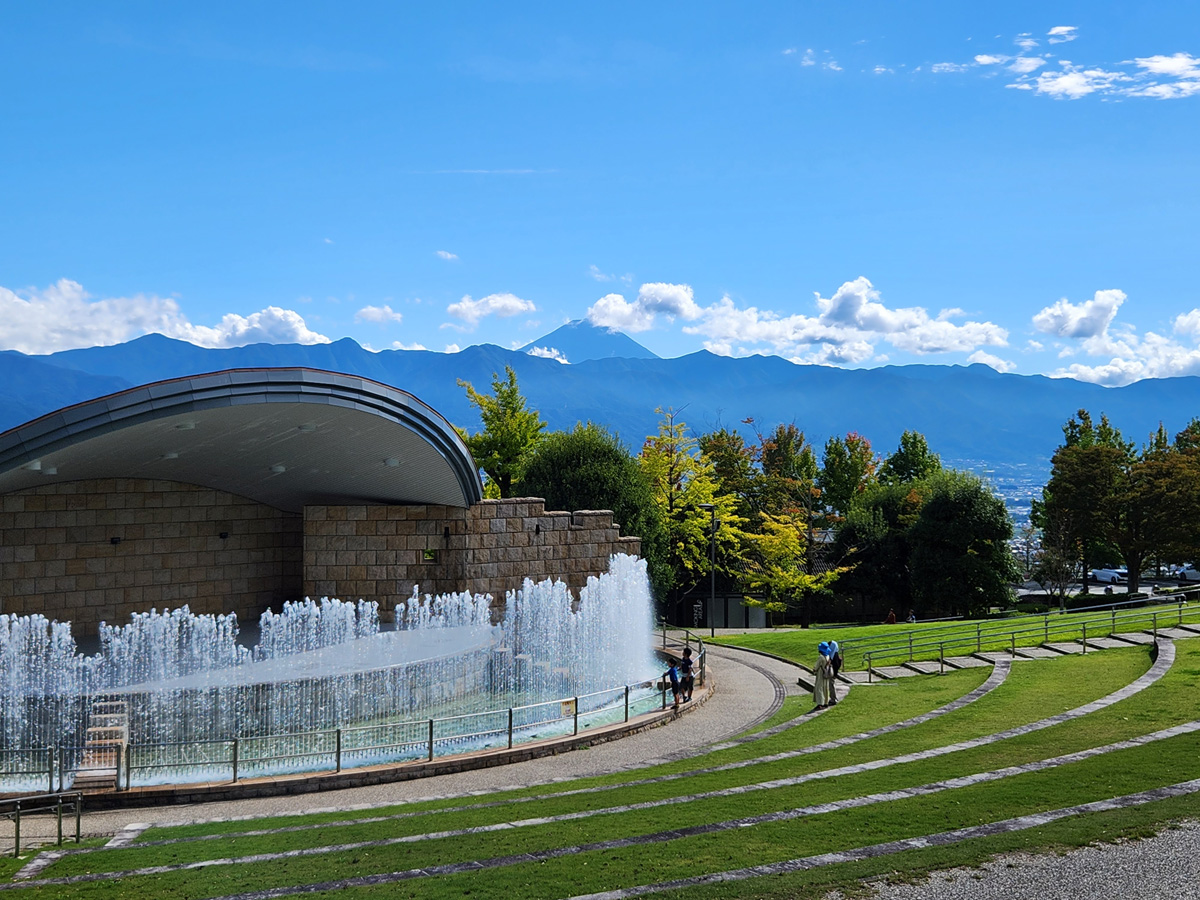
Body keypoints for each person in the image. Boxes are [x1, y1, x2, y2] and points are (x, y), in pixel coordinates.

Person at [813, 642, 833, 709]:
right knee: (826, 688)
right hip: (827, 674)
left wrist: (814, 670)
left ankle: (820, 703)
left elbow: (816, 667)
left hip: (821, 674)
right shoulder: (828, 656)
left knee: (819, 688)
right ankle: (826, 702)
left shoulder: (821, 657)